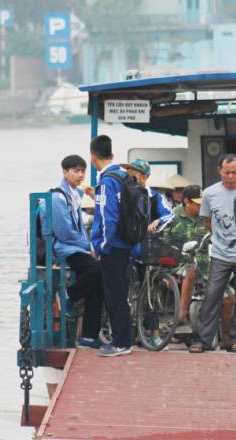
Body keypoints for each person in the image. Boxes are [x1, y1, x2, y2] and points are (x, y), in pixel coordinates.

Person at [190, 153, 236, 353]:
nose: (231, 176)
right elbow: (207, 221)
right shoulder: (210, 194)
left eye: (235, 172)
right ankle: (202, 340)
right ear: (219, 171)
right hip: (220, 254)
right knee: (212, 295)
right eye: (227, 172)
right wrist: (221, 239)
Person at [41, 154, 104, 349]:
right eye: (76, 171)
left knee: (98, 283)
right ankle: (68, 296)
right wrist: (87, 248)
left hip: (76, 246)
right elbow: (64, 232)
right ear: (65, 172)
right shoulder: (58, 197)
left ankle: (88, 336)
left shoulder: (75, 195)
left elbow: (80, 229)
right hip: (63, 248)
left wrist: (90, 247)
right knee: (96, 271)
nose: (80, 175)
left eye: (82, 171)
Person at [165, 185, 236, 347]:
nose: (201, 206)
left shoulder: (208, 217)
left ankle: (226, 337)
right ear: (186, 202)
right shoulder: (173, 217)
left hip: (206, 264)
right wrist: (165, 273)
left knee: (229, 297)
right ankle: (181, 316)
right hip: (180, 263)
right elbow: (164, 245)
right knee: (190, 270)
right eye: (197, 203)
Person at [90, 135, 134, 357]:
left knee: (114, 295)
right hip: (126, 243)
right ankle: (124, 339)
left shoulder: (107, 180)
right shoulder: (124, 175)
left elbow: (108, 218)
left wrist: (101, 247)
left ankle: (120, 343)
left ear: (93, 158)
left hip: (113, 247)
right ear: (112, 155)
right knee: (121, 293)